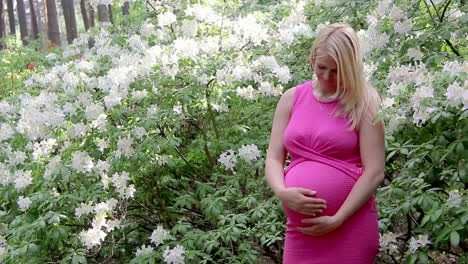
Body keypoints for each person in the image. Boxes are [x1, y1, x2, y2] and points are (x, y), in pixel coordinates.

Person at [265, 24, 385, 263]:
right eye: (322, 67)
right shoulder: (292, 98)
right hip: (303, 233)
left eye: (336, 70)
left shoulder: (365, 102)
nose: (327, 77)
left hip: (350, 227)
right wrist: (282, 192)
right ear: (312, 59)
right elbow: (273, 158)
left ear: (350, 68)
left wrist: (337, 218)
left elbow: (374, 172)